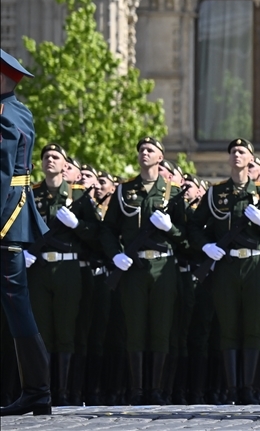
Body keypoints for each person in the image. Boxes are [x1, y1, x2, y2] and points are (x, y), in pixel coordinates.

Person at [186, 138, 260, 404]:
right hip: (226, 265)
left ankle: (249, 389)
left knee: (253, 327)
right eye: (232, 152)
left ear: (251, 158)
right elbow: (194, 226)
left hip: (256, 265)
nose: (236, 155)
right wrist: (206, 247)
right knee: (228, 327)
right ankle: (232, 389)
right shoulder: (216, 194)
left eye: (241, 151)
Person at [99, 137, 184, 405]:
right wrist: (116, 255)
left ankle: (156, 389)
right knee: (134, 328)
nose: (144, 153)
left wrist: (170, 228)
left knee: (160, 327)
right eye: (141, 150)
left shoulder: (173, 193)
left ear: (160, 157)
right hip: (133, 267)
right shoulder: (125, 191)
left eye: (150, 150)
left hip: (162, 266)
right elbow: (107, 230)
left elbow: (187, 237)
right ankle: (136, 389)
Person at [27, 143, 98, 406]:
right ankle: (42, 391)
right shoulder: (32, 194)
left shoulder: (78, 197)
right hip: (39, 267)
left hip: (68, 268)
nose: (49, 160)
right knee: (41, 331)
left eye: (55, 157)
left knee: (65, 332)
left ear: (65, 164)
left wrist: (77, 225)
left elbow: (96, 234)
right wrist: (25, 251)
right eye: (46, 157)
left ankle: (64, 392)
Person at [0, 48, 51, 416]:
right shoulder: (20, 110)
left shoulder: (4, 113)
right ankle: (37, 391)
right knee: (18, 306)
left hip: (4, 220)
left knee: (18, 308)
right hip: (12, 220)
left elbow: (2, 175)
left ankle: (37, 390)